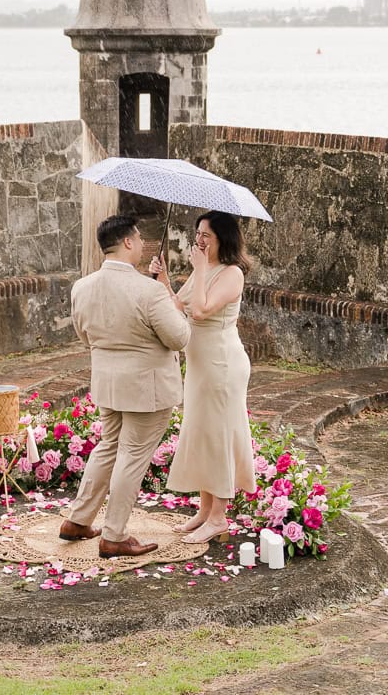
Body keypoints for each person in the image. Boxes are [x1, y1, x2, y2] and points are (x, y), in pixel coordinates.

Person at [61, 213, 191, 558]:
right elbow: (179, 338)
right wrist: (171, 304)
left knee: (109, 446)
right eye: (138, 238)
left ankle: (78, 520)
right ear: (129, 242)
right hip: (147, 389)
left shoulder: (82, 287)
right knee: (132, 456)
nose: (142, 244)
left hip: (107, 383)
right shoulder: (149, 291)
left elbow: (84, 334)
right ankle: (115, 535)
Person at [150, 210, 257, 545]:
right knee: (201, 431)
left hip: (222, 365)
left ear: (222, 239)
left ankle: (218, 517)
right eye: (197, 233)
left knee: (219, 435)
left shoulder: (231, 274)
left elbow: (200, 310)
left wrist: (196, 269)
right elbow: (179, 305)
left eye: (206, 236)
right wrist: (164, 278)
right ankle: (204, 509)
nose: (199, 240)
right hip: (198, 365)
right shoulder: (204, 269)